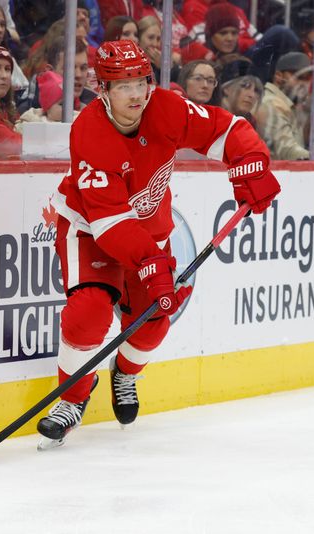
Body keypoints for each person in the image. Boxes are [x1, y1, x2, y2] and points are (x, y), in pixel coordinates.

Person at [36, 40, 280, 448]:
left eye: (141, 82)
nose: (136, 94)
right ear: (103, 91)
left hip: (149, 232)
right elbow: (110, 221)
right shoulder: (89, 132)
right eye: (123, 85)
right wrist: (151, 261)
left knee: (154, 321)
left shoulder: (166, 108)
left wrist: (251, 161)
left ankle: (126, 374)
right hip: (90, 230)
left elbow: (227, 129)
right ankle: (72, 400)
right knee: (88, 315)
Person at [257, 52, 314, 161]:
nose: (304, 83)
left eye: (308, 78)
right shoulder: (271, 104)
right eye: (299, 77)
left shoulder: (290, 106)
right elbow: (287, 152)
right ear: (278, 77)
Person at [218, 57, 262, 128]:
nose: (252, 95)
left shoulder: (250, 122)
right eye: (245, 87)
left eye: (256, 90)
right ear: (226, 89)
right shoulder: (208, 117)